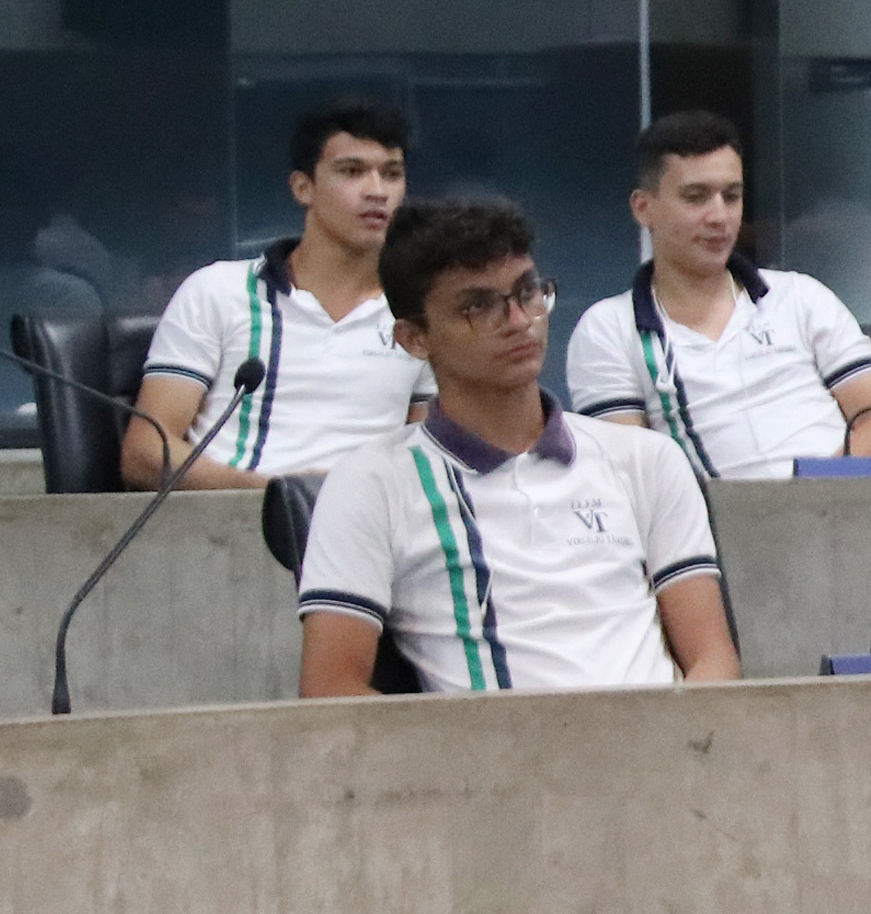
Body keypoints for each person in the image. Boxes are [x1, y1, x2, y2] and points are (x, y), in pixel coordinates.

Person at [296, 199, 742, 697]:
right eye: (478, 306)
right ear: (414, 338)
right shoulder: (370, 484)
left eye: (527, 293)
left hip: (667, 737)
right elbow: (331, 691)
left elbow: (713, 660)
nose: (518, 320)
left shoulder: (646, 459)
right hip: (490, 746)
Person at [563, 112, 871, 478]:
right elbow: (627, 474)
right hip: (714, 513)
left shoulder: (800, 296)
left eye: (731, 196)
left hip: (841, 500)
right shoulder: (608, 329)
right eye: (696, 197)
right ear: (644, 208)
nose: (720, 216)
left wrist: (808, 495)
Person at [128, 102, 430, 487]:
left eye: (391, 174)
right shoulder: (218, 291)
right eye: (352, 171)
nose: (377, 191)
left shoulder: (423, 310)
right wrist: (282, 493)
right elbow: (144, 455)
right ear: (303, 187)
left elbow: (433, 457)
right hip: (236, 513)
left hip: (371, 515)